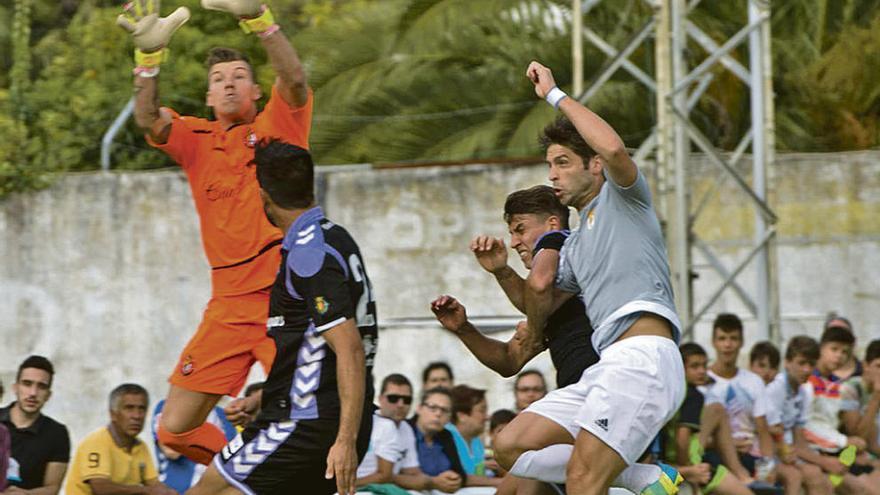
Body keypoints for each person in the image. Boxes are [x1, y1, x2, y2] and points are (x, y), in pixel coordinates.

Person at [467, 61, 685, 495]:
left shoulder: (624, 200)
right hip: (606, 369)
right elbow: (539, 300)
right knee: (511, 446)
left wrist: (553, 94)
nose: (552, 175)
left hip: (643, 359)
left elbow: (617, 150)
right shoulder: (575, 241)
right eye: (550, 164)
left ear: (595, 165)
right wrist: (502, 271)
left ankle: (633, 475)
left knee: (584, 481)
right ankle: (641, 477)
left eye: (563, 162)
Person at [116, 0, 313, 464]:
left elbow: (298, 80)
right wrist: (148, 61)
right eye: (219, 80)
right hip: (226, 307)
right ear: (207, 97)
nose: (228, 84)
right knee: (174, 429)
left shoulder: (276, 128)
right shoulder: (196, 139)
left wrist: (259, 19)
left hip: (282, 297)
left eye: (239, 76)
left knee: (308, 415)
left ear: (258, 90)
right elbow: (147, 118)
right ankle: (249, 475)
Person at [187, 140, 377, 495]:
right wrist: (264, 398)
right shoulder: (336, 237)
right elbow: (310, 345)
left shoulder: (308, 254)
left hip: (302, 424)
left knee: (206, 490)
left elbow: (348, 347)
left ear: (263, 196)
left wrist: (345, 442)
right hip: (323, 416)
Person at [650, 343, 753, 495]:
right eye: (695, 366)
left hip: (672, 462)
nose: (702, 371)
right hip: (687, 465)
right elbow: (682, 437)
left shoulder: (671, 391)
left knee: (718, 409)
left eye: (704, 366)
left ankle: (740, 472)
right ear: (681, 369)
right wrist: (689, 469)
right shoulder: (692, 395)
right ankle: (740, 473)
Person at [803, 325, 880, 493]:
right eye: (834, 349)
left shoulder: (834, 385)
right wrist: (845, 443)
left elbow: (851, 438)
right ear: (821, 348)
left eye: (845, 352)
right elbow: (806, 426)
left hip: (837, 453)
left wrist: (852, 451)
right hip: (812, 455)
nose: (839, 356)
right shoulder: (808, 381)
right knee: (865, 489)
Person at [65, 384, 176, 495]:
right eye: (129, 408)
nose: (136, 416)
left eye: (141, 409)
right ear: (113, 414)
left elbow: (154, 484)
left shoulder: (141, 446)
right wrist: (145, 490)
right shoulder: (97, 442)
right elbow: (100, 488)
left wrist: (169, 492)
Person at [704, 314, 776, 481]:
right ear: (713, 342)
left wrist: (769, 466)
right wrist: (726, 444)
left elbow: (763, 430)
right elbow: (697, 436)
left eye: (733, 339)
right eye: (722, 339)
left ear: (742, 342)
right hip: (714, 457)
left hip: (750, 456)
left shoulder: (753, 381)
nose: (727, 345)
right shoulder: (702, 383)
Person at [763, 336, 832, 495]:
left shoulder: (804, 391)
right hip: (769, 452)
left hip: (794, 451)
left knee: (826, 481)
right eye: (802, 363)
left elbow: (799, 440)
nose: (807, 370)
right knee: (809, 476)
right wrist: (824, 462)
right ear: (787, 362)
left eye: (811, 364)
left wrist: (824, 461)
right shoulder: (776, 388)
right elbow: (768, 432)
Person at [0, 356, 70, 493]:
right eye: (27, 383)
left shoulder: (57, 433)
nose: (33, 393)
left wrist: (27, 494)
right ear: (15, 387)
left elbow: (52, 488)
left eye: (41, 386)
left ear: (48, 395)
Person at [150, 400, 237, 493]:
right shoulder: (168, 406)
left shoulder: (223, 416)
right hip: (174, 490)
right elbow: (171, 452)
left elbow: (227, 462)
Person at [354, 374, 420, 492]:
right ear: (380, 399)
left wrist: (434, 482)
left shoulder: (406, 428)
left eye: (406, 400)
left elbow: (412, 472)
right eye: (393, 398)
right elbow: (384, 476)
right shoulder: (367, 421)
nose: (400, 405)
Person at [407, 388, 466, 493]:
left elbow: (460, 472)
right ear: (419, 408)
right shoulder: (405, 430)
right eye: (433, 408)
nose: (438, 414)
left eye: (444, 410)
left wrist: (455, 479)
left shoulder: (446, 436)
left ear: (449, 417)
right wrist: (433, 482)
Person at [447, 385, 500, 488]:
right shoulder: (446, 437)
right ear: (462, 416)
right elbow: (456, 476)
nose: (487, 417)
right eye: (482, 410)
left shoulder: (475, 440)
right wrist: (499, 482)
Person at [840, 339, 880, 456]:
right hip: (853, 456)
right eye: (878, 366)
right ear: (865, 366)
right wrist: (876, 397)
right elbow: (858, 438)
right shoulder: (850, 389)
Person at [823, 315, 862, 381]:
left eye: (844, 335)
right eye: (833, 334)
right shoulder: (811, 373)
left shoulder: (866, 372)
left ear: (853, 342)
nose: (839, 338)